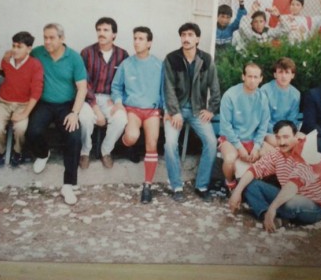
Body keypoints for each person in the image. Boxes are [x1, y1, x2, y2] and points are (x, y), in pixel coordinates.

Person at [228, 120, 321, 232]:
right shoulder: (277, 153)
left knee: (291, 203)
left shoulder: (306, 152)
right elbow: (254, 169)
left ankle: (275, 215)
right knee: (248, 183)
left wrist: (273, 208)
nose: (282, 142)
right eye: (278, 138)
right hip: (287, 195)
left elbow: (293, 185)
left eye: (286, 137)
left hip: (312, 206)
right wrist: (237, 192)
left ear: (295, 136)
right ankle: (267, 217)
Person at [26, 23, 87, 205]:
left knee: (74, 136)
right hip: (44, 103)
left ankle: (69, 184)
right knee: (33, 131)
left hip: (66, 105)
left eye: (51, 38)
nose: (47, 41)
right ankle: (43, 153)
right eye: (45, 37)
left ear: (62, 39)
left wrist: (75, 113)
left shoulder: (74, 57)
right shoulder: (37, 53)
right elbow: (19, 57)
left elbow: (82, 88)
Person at [163, 23, 220, 202]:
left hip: (197, 110)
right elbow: (168, 88)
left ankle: (201, 185)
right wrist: (174, 111)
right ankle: (176, 185)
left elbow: (215, 86)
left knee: (211, 142)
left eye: (190, 35)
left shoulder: (206, 59)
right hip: (176, 110)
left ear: (197, 39)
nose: (186, 38)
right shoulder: (171, 58)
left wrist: (211, 109)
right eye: (183, 35)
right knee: (170, 143)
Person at [110, 26, 163, 204]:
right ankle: (125, 145)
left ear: (149, 43)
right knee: (132, 137)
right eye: (135, 38)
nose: (136, 42)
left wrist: (164, 109)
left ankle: (147, 186)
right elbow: (116, 87)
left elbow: (164, 89)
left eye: (141, 39)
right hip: (132, 109)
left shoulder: (158, 65)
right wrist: (118, 102)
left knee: (152, 144)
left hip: (152, 110)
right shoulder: (126, 64)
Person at [78, 18, 129, 169]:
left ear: (114, 34)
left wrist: (117, 100)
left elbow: (125, 82)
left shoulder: (122, 55)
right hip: (88, 97)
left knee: (120, 119)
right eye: (99, 30)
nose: (101, 33)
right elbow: (83, 83)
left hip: (109, 98)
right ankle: (85, 151)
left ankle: (106, 151)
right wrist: (95, 108)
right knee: (85, 118)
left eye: (106, 30)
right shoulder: (87, 52)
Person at [0, 32, 43, 167]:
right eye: (13, 46)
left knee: (20, 129)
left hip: (23, 104)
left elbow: (36, 92)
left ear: (29, 49)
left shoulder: (35, 65)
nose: (15, 50)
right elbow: (3, 72)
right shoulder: (7, 61)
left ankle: (18, 152)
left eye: (19, 47)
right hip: (4, 102)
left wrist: (24, 113)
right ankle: (1, 152)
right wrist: (6, 55)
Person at [219, 62, 271, 190]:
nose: (252, 80)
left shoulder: (262, 98)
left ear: (261, 79)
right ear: (243, 77)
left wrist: (257, 147)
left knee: (275, 156)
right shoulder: (230, 95)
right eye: (249, 76)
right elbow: (226, 126)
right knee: (230, 159)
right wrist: (239, 147)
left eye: (255, 77)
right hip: (231, 139)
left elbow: (263, 125)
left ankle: (262, 185)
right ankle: (230, 184)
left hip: (252, 139)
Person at [260, 57, 300, 148]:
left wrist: (286, 133)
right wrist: (278, 133)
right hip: (269, 132)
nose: (284, 76)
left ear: (292, 75)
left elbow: (293, 119)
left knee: (303, 140)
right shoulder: (265, 90)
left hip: (287, 132)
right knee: (279, 142)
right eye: (280, 72)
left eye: (287, 72)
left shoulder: (295, 94)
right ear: (275, 74)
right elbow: (263, 119)